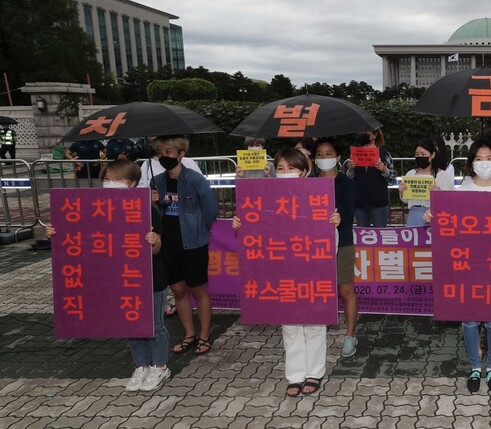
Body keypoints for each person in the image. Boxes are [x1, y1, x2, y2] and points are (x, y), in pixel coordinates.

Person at [47, 159, 171, 391]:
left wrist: (153, 241)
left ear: (133, 183)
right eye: (108, 179)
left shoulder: (147, 210)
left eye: (119, 179)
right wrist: (56, 230)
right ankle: (141, 366)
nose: (112, 183)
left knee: (154, 324)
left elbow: (158, 248)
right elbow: (78, 233)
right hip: (122, 278)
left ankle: (160, 367)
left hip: (150, 278)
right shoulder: (97, 209)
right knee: (131, 322)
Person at [234, 148, 342, 396]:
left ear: (304, 172)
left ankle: (314, 373)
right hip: (283, 272)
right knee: (290, 325)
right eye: (280, 169)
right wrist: (242, 225)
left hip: (312, 270)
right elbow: (255, 239)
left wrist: (332, 224)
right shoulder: (267, 200)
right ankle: (295, 375)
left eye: (291, 168)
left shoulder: (318, 198)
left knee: (314, 324)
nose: (285, 173)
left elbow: (330, 247)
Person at [424, 135, 491, 393]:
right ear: (471, 162)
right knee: (470, 320)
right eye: (479, 159)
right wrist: (434, 216)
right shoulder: (459, 192)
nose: (484, 163)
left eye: (489, 159)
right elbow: (447, 228)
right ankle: (475, 366)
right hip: (467, 264)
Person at [151, 136, 218, 355]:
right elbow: (153, 215)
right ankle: (189, 333)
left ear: (181, 154)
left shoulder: (195, 180)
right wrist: (152, 202)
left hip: (193, 244)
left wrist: (197, 228)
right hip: (168, 245)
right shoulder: (156, 181)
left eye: (169, 152)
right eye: (160, 152)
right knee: (178, 291)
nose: (164, 156)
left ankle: (205, 335)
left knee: (199, 290)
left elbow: (210, 211)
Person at [312, 139, 360, 359]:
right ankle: (317, 333)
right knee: (318, 290)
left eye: (328, 153)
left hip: (343, 242)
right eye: (320, 154)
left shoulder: (346, 183)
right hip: (314, 245)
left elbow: (349, 215)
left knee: (345, 290)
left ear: (338, 157)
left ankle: (350, 335)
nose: (324, 158)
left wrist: (338, 216)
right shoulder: (308, 182)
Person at [346, 128, 395, 227]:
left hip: (379, 201)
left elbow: (392, 177)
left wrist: (384, 170)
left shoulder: (384, 153)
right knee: (363, 233)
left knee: (380, 233)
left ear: (374, 135)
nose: (362, 135)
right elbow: (349, 178)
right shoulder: (355, 153)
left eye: (365, 133)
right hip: (360, 201)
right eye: (361, 132)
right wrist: (350, 169)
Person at [399, 138, 453, 226]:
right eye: (417, 154)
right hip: (414, 214)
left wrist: (439, 193)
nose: (420, 157)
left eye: (423, 154)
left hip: (434, 215)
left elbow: (449, 200)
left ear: (432, 155)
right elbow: (405, 200)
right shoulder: (410, 174)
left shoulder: (442, 176)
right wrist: (402, 191)